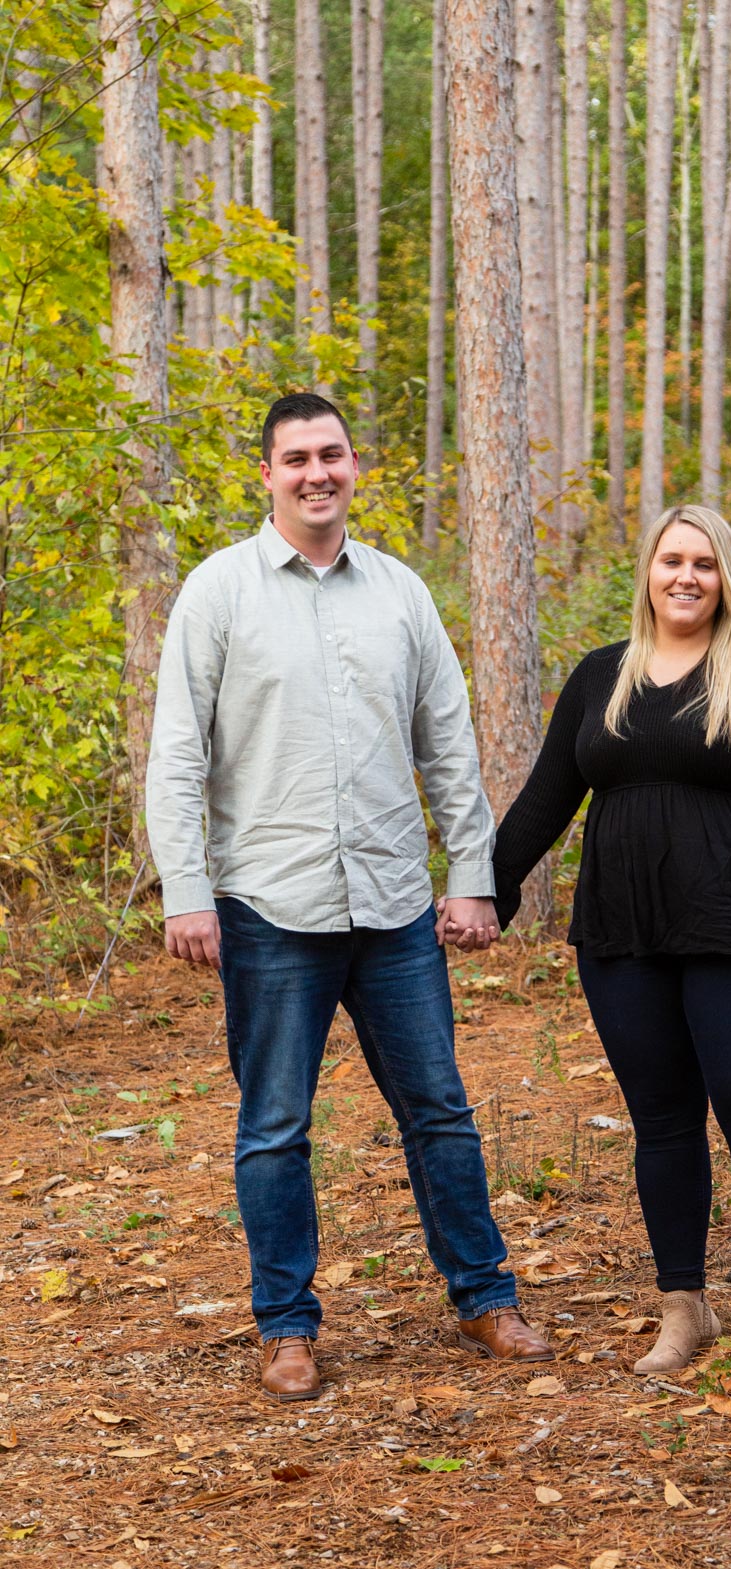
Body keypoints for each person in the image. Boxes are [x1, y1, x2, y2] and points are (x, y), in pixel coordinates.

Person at [146, 392, 552, 1401]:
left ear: (353, 465)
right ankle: (286, 1325)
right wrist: (186, 890)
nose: (315, 473)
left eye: (330, 453)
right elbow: (177, 754)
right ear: (268, 474)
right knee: (274, 1124)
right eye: (296, 458)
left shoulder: (399, 594)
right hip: (267, 907)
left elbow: (448, 747)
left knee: (440, 1110)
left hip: (392, 910)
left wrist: (472, 876)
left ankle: (484, 1295)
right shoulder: (217, 593)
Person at [491, 505, 731, 1381]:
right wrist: (482, 889)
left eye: (704, 564)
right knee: (662, 1122)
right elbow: (545, 799)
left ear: (726, 578)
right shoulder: (601, 675)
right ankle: (683, 1305)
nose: (685, 577)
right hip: (623, 931)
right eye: (670, 560)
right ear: (646, 572)